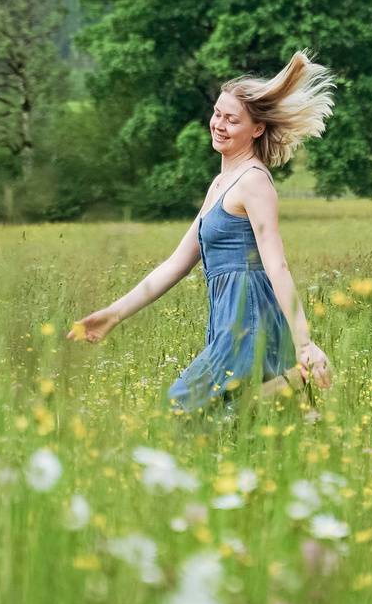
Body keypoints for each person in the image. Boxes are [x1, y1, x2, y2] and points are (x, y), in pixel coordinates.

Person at [71, 53, 338, 412]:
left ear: (257, 129)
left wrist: (305, 343)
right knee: (231, 420)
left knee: (182, 406)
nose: (219, 124)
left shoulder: (254, 182)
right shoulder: (221, 183)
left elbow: (278, 266)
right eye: (217, 114)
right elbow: (175, 264)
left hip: (248, 318)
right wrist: (113, 315)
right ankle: (288, 389)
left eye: (232, 119)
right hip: (229, 319)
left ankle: (292, 381)